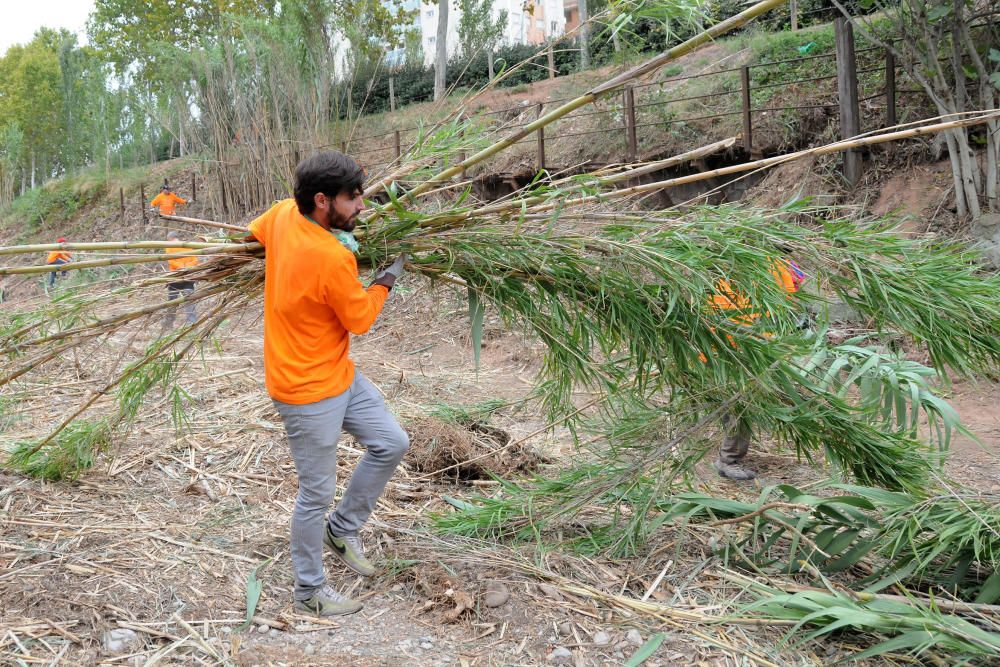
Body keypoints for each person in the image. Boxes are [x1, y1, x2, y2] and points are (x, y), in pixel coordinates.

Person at [247, 150, 409, 617]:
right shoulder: (332, 258)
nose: (362, 207)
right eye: (353, 198)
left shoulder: (282, 213)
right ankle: (309, 591)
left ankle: (342, 529)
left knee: (391, 442)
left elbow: (251, 234)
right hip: (305, 389)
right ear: (322, 200)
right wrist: (385, 280)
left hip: (337, 372)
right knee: (314, 492)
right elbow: (359, 319)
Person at [707, 259, 805, 481]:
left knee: (741, 404)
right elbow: (787, 298)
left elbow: (785, 300)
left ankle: (729, 456)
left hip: (744, 346)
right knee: (741, 406)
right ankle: (728, 461)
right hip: (733, 348)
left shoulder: (767, 264)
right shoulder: (766, 266)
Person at [162, 231, 199, 333]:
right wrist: (187, 267)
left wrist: (181, 267)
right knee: (190, 301)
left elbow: (171, 261)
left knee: (172, 302)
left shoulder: (169, 247)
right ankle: (192, 324)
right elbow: (195, 260)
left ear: (169, 238)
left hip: (175, 277)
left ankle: (168, 325)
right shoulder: (188, 246)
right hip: (188, 277)